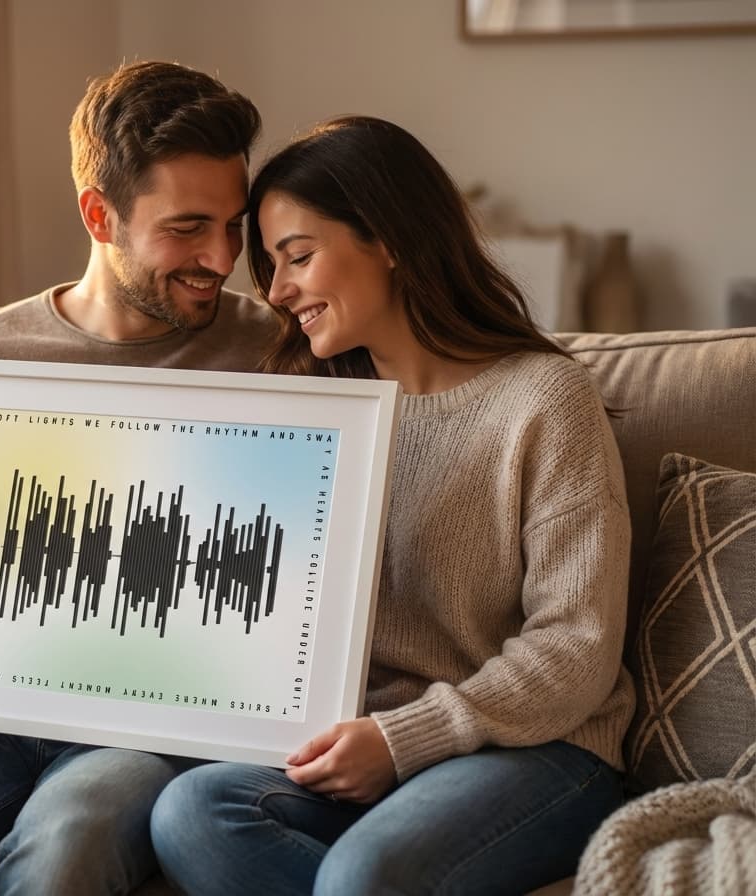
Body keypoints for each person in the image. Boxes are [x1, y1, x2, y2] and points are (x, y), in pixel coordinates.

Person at [0, 61, 275, 896]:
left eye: (233, 225)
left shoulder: (278, 354)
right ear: (99, 215)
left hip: (149, 724)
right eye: (187, 228)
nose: (221, 258)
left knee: (73, 835)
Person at [149, 116, 635, 896]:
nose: (277, 292)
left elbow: (576, 649)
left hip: (536, 750)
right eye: (270, 267)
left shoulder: (544, 401)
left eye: (298, 257)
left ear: (390, 239)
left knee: (365, 875)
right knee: (190, 811)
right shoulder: (310, 410)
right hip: (358, 752)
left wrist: (406, 738)